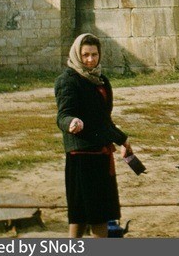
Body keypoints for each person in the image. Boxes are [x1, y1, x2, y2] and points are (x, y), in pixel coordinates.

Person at [55, 33, 133, 238]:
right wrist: (71, 122)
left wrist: (122, 139)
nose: (90, 59)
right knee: (89, 216)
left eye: (94, 54)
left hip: (101, 155)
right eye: (85, 55)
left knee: (89, 214)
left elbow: (104, 120)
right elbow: (63, 115)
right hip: (82, 157)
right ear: (77, 55)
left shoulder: (101, 81)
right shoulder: (68, 80)